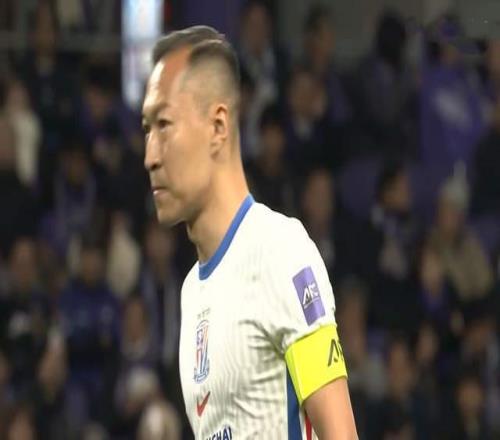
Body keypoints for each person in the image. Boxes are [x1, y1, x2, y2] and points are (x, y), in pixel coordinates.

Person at [142, 26, 357, 438]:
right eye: (146, 129)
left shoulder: (280, 252)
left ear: (218, 127)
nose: (150, 155)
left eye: (164, 124)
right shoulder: (191, 291)